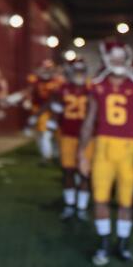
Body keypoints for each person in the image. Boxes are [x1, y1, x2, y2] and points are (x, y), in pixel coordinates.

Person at [77, 43, 133, 266]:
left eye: (122, 58)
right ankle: (103, 243)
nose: (118, 62)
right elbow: (89, 121)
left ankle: (122, 243)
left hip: (128, 149)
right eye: (115, 57)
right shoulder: (97, 85)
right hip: (102, 147)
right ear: (106, 58)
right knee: (100, 199)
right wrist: (82, 153)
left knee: (125, 201)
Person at [52, 60, 93, 221]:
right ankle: (70, 204)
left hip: (87, 137)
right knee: (68, 171)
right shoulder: (62, 89)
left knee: (84, 173)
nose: (78, 75)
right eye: (76, 71)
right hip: (68, 135)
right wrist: (53, 123)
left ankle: (81, 206)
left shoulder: (91, 90)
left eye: (81, 71)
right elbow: (56, 109)